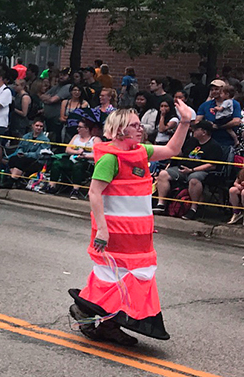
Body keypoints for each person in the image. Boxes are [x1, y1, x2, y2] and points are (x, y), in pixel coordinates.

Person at [69, 103, 193, 346]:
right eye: (134, 125)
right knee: (118, 278)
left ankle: (101, 322)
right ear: (119, 130)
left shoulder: (140, 151)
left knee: (131, 278)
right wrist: (102, 229)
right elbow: (95, 193)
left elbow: (171, 148)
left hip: (137, 234)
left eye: (140, 124)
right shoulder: (110, 159)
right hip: (115, 233)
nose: (141, 128)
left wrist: (185, 122)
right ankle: (97, 319)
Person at [153, 121, 226, 220]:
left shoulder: (214, 146)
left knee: (194, 179)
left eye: (196, 129)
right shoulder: (191, 141)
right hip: (183, 168)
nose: (193, 131)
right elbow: (182, 153)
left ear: (204, 132)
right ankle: (161, 204)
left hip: (200, 171)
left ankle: (194, 208)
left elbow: (211, 165)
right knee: (163, 174)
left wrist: (192, 170)